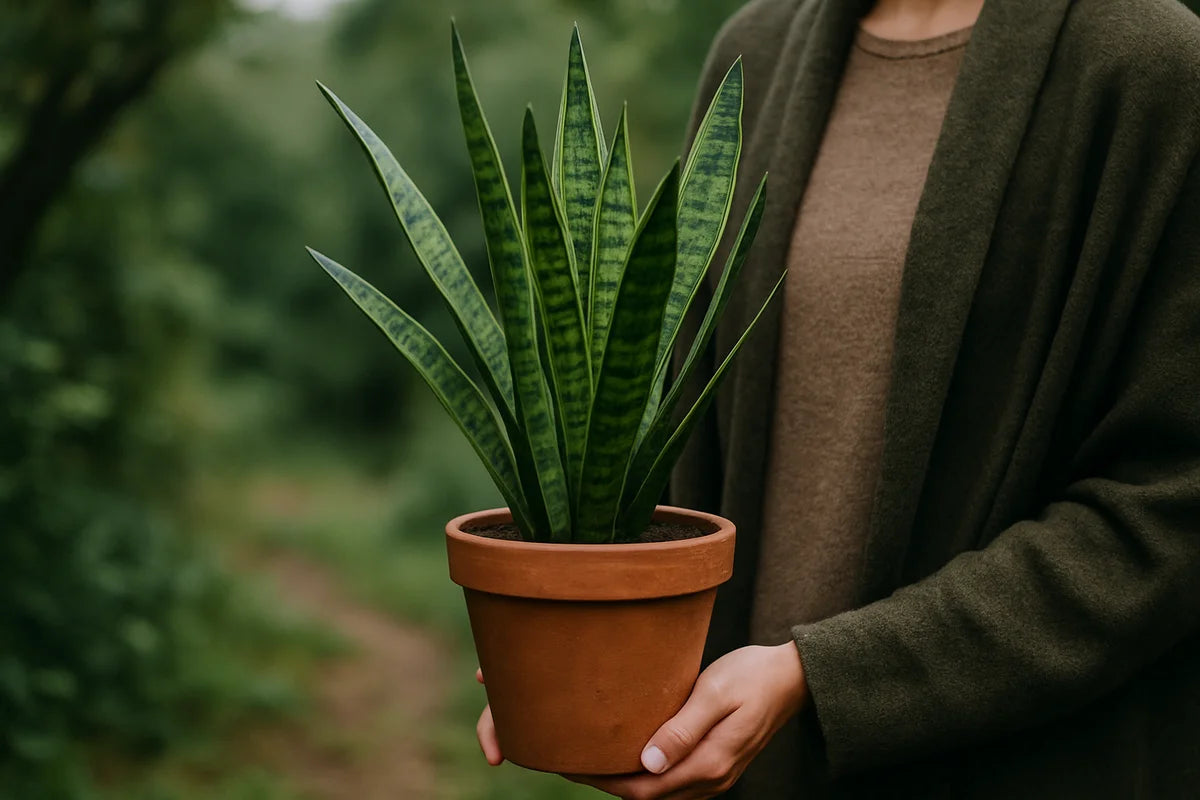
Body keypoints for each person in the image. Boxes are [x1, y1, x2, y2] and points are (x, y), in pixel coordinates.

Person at [478, 0, 1200, 796]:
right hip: (748, 772)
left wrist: (826, 677)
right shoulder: (756, 51)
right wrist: (572, 625)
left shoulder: (1154, 66)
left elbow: (1170, 504)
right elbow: (680, 421)